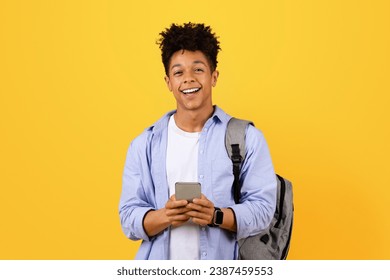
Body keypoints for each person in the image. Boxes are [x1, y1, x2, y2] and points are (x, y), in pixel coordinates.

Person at [119, 22, 277, 260]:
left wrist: (216, 215)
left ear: (214, 76)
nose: (188, 79)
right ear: (168, 82)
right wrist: (166, 215)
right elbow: (128, 217)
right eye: (178, 72)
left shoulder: (247, 138)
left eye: (198, 69)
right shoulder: (144, 144)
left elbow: (264, 210)